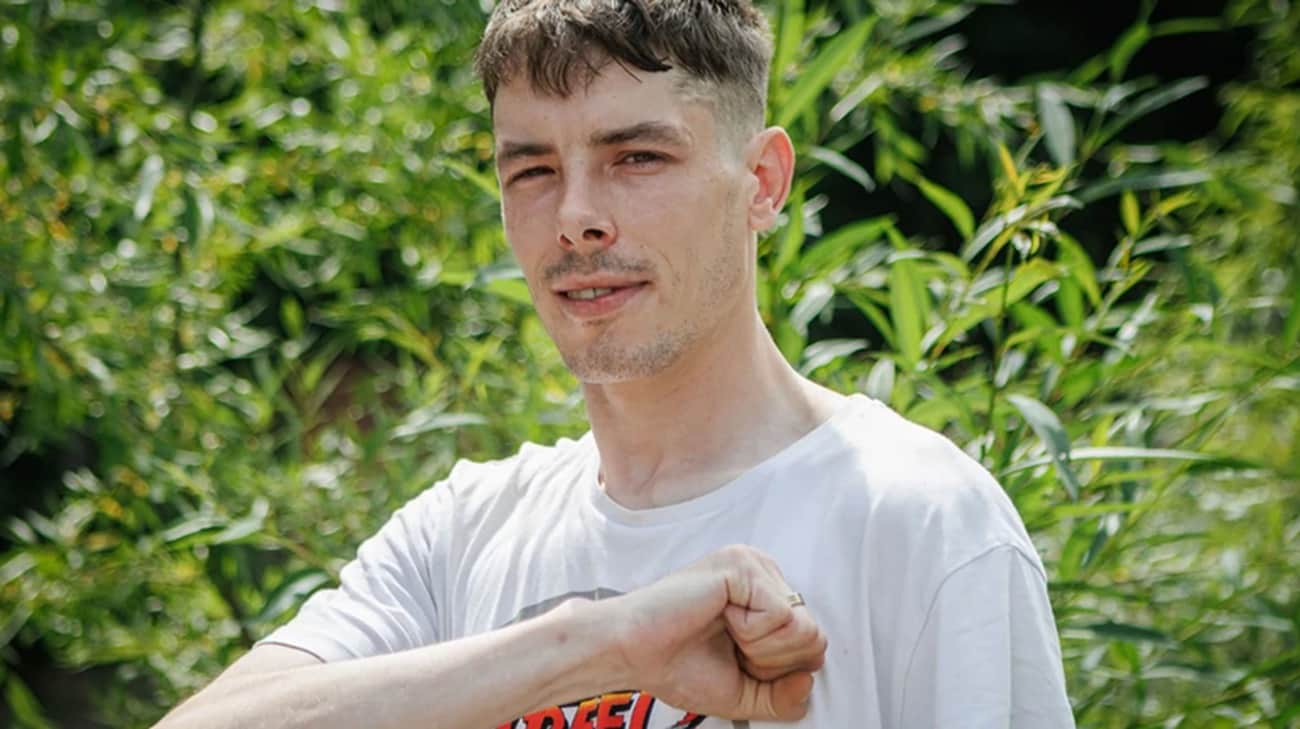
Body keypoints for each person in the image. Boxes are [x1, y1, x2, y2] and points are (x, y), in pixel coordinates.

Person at [154, 0, 1075, 727]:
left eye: (636, 157)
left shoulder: (917, 518)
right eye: (532, 170)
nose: (576, 219)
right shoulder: (460, 535)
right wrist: (600, 646)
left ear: (761, 183)